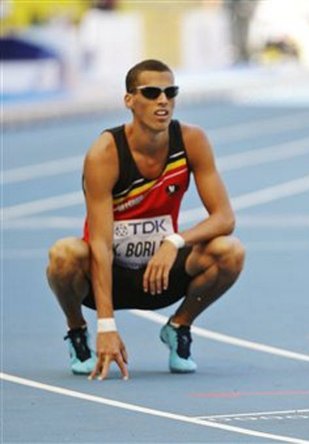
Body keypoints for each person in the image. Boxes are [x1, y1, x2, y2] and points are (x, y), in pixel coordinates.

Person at [46, 59, 245, 380]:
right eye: (151, 93)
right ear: (129, 100)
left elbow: (224, 217)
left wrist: (174, 241)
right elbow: (99, 242)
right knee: (64, 254)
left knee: (230, 251)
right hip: (109, 275)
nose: (162, 100)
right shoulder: (105, 153)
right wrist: (106, 326)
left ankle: (179, 326)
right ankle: (77, 332)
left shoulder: (192, 141)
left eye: (170, 92)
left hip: (161, 274)